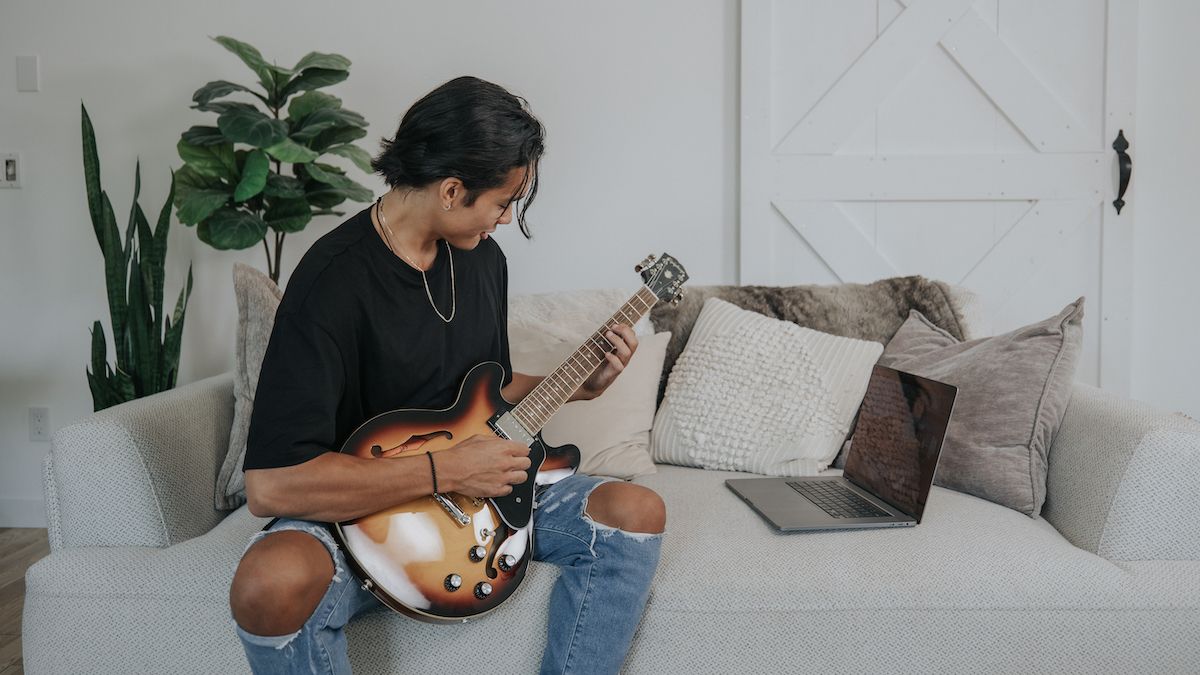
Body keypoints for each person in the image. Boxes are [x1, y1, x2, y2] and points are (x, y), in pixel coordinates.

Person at [228, 76, 666, 675]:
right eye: (504, 202)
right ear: (454, 190)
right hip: (362, 512)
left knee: (635, 513)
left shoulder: (484, 259)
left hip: (476, 494)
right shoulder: (331, 282)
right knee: (268, 584)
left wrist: (576, 383)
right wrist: (446, 469)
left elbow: (484, 391)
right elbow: (271, 487)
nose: (507, 219)